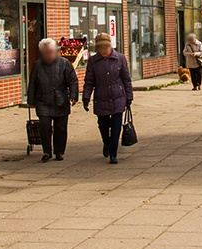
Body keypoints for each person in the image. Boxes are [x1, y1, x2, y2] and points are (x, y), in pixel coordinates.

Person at [83, 33, 134, 164]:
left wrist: (129, 96)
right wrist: (86, 98)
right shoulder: (93, 61)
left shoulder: (120, 58)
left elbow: (126, 79)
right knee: (103, 126)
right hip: (101, 98)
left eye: (105, 47)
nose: (103, 50)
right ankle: (106, 142)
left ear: (110, 46)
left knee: (116, 127)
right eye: (100, 48)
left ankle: (113, 153)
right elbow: (89, 81)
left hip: (118, 97)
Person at [26, 38, 78, 162]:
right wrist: (31, 100)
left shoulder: (64, 63)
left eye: (51, 52)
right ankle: (47, 151)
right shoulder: (37, 65)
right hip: (43, 100)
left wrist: (73, 96)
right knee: (44, 126)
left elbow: (73, 81)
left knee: (60, 128)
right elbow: (33, 83)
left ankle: (59, 151)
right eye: (46, 52)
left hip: (61, 100)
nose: (49, 55)